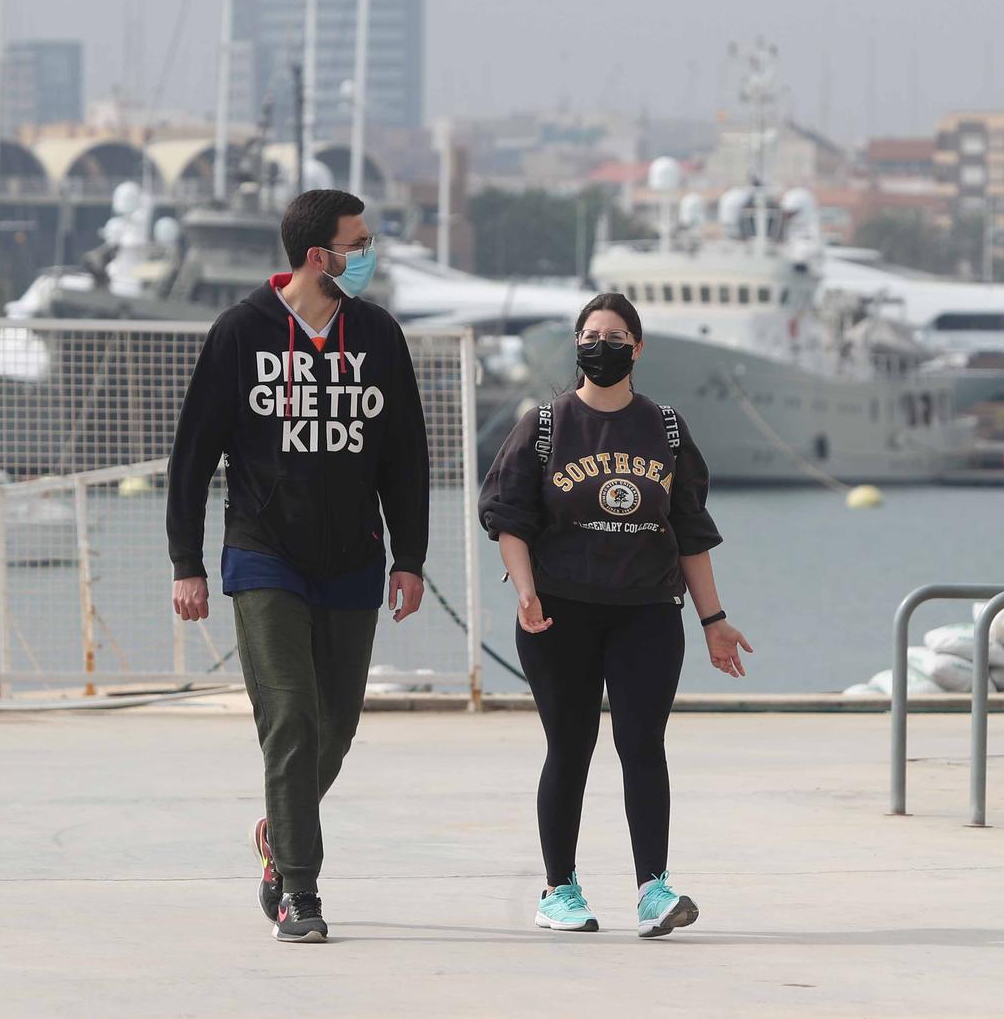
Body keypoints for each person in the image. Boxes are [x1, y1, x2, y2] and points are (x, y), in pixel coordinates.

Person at [166, 188, 429, 944]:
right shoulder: (240, 332)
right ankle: (300, 892)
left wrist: (408, 556)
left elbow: (405, 458)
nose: (370, 250)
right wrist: (187, 561)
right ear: (320, 255)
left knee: (335, 730)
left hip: (353, 559)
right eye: (361, 240)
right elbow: (192, 459)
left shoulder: (378, 334)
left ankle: (278, 835)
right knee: (290, 718)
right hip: (263, 553)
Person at [479, 292, 753, 938]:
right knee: (570, 746)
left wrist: (714, 619)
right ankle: (559, 889)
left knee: (642, 744)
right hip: (558, 612)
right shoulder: (544, 425)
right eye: (591, 333)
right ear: (578, 345)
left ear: (637, 347)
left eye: (615, 334)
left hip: (647, 612)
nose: (602, 343)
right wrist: (524, 590)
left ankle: (653, 888)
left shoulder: (664, 428)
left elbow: (689, 529)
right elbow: (509, 519)